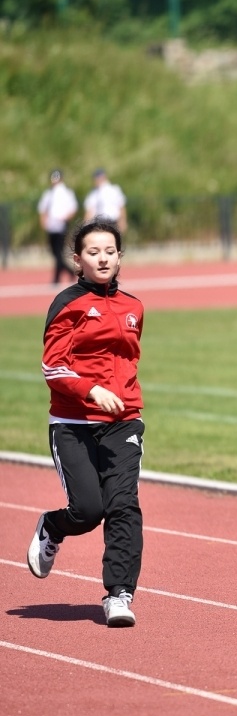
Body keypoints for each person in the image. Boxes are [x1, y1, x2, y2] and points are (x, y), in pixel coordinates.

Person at [26, 217, 146, 627]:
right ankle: (53, 526)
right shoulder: (67, 304)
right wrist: (93, 390)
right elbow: (52, 366)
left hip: (124, 421)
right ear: (77, 259)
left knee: (123, 505)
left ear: (119, 256)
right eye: (93, 252)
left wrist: (122, 399)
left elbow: (129, 361)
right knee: (88, 509)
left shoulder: (134, 307)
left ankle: (119, 594)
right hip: (72, 423)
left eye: (110, 251)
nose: (103, 259)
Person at [38, 169, 78, 284]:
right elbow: (43, 209)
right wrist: (44, 222)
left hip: (61, 225)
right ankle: (70, 272)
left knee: (58, 252)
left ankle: (56, 278)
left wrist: (65, 219)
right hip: (51, 226)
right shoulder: (49, 193)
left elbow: (72, 208)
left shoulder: (67, 193)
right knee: (54, 253)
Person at [84, 167, 127, 233]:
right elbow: (90, 211)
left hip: (112, 221)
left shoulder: (114, 190)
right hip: (99, 222)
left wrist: (122, 221)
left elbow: (121, 207)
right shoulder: (93, 193)